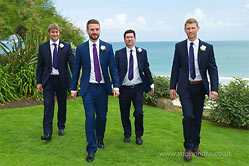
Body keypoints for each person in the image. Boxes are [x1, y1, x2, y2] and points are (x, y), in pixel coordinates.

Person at [71, 19, 120, 162]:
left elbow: (113, 68)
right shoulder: (80, 49)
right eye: (92, 29)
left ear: (100, 30)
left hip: (103, 88)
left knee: (102, 117)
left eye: (97, 29)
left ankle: (100, 138)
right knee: (90, 118)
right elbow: (76, 70)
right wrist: (74, 88)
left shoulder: (108, 47)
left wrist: (115, 86)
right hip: (88, 89)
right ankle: (91, 149)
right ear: (87, 31)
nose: (94, 32)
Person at [170, 18, 219, 161]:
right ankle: (187, 147)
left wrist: (214, 88)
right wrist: (172, 87)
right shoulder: (179, 46)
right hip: (185, 87)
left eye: (192, 28)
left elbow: (213, 69)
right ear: (185, 30)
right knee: (189, 116)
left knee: (197, 118)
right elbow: (175, 68)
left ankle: (195, 145)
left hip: (200, 87)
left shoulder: (207, 47)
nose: (190, 31)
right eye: (188, 28)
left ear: (198, 28)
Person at [115, 29, 154, 145]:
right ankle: (127, 134)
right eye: (127, 37)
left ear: (135, 39)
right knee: (124, 113)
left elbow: (146, 69)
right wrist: (115, 86)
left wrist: (151, 83)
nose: (129, 39)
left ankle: (138, 135)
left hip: (138, 88)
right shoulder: (118, 54)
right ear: (124, 40)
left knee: (139, 113)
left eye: (131, 37)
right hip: (124, 89)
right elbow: (115, 71)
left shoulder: (142, 52)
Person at [36, 23, 75, 141]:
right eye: (52, 32)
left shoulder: (66, 46)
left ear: (59, 33)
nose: (55, 34)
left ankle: (61, 126)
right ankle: (47, 132)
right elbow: (40, 66)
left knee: (62, 105)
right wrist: (39, 82)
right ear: (49, 33)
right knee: (48, 106)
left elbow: (73, 64)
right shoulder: (43, 47)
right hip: (48, 80)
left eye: (57, 32)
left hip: (62, 80)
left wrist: (75, 80)